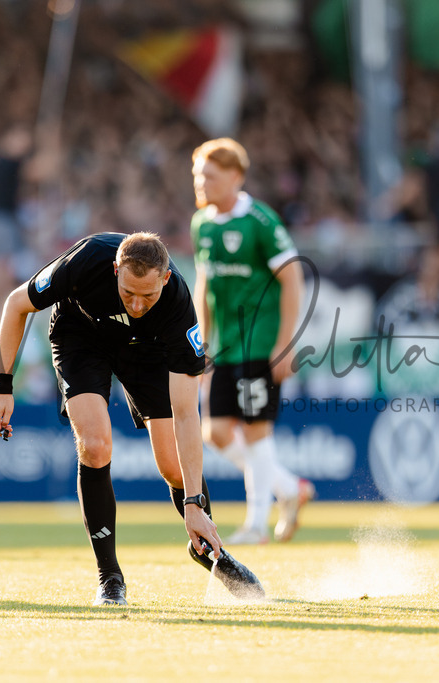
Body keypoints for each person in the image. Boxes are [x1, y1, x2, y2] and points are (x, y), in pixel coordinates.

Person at [0, 231, 265, 605]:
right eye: (127, 291)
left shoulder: (180, 308)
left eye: (147, 295)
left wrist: (193, 503)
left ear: (165, 279)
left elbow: (186, 415)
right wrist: (2, 385)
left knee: (174, 467)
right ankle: (109, 578)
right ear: (115, 269)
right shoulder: (84, 261)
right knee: (96, 445)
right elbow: (16, 305)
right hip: (80, 339)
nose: (136, 304)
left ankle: (209, 550)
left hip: (146, 353)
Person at [190, 138, 315, 546]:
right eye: (198, 175)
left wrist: (285, 343)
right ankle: (287, 489)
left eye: (209, 175)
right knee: (217, 433)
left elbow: (293, 278)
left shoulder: (260, 221)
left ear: (235, 177)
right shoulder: (203, 224)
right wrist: (200, 342)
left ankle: (257, 524)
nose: (201, 182)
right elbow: (204, 283)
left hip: (260, 344)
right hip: (223, 346)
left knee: (257, 431)